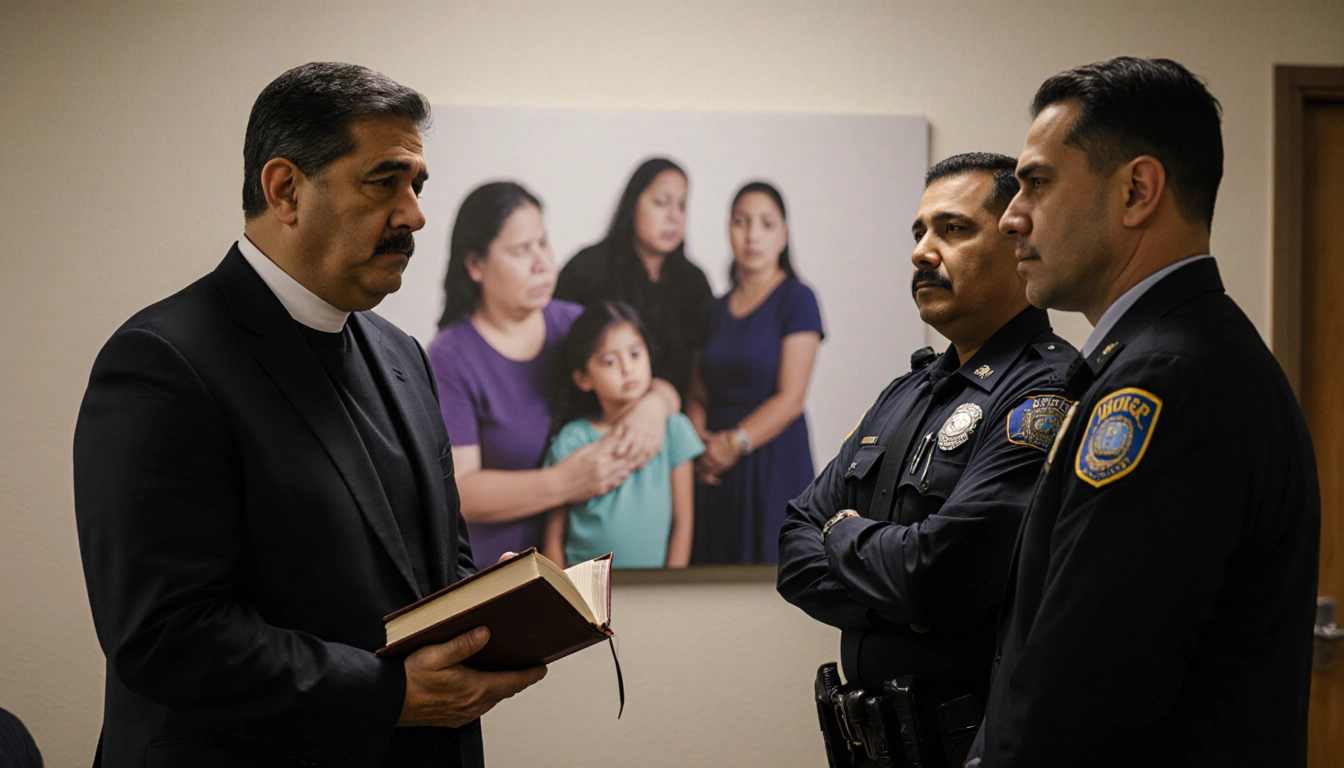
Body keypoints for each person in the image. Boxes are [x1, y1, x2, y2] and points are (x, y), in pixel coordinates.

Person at [72, 63, 548, 768]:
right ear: (285, 189)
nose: (415, 214)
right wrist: (390, 692)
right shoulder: (162, 363)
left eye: (417, 186)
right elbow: (165, 635)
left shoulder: (403, 355)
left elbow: (432, 565)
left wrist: (491, 609)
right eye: (384, 182)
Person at [970, 57, 1320, 767]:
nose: (1010, 216)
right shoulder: (1181, 355)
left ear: (1136, 190)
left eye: (1035, 182)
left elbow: (1081, 698)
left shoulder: (1166, 382)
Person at [777, 154, 1079, 767]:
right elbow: (791, 549)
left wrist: (844, 535)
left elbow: (938, 574)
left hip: (972, 748)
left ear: (1016, 239)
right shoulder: (905, 394)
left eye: (953, 229)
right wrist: (901, 604)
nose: (922, 251)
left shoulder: (1044, 391)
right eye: (919, 232)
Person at [428, 182, 681, 567]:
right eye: (521, 251)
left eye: (543, 244)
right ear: (475, 265)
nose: (543, 263)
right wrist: (565, 482)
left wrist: (655, 406)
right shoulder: (450, 356)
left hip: (585, 568)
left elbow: (652, 381)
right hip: (497, 569)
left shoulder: (572, 322)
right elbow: (461, 490)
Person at [689, 181, 825, 564]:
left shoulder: (798, 299)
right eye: (741, 222)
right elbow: (698, 392)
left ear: (784, 233)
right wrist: (699, 444)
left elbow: (791, 399)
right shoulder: (712, 310)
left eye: (766, 224)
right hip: (713, 467)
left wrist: (734, 444)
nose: (752, 235)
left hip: (771, 462)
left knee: (773, 582)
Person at [542, 302, 704, 568]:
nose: (627, 368)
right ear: (584, 379)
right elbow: (554, 538)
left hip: (655, 594)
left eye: (635, 354)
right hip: (584, 595)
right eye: (610, 361)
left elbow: (683, 523)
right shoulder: (572, 440)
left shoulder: (674, 430)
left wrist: (672, 588)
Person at [554, 157, 713, 399]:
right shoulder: (587, 269)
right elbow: (560, 356)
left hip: (673, 419)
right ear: (633, 204)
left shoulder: (694, 282)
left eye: (682, 205)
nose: (674, 217)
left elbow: (700, 370)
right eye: (661, 203)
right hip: (596, 418)